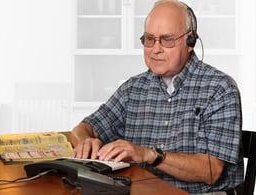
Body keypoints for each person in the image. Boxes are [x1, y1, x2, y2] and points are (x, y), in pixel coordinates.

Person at [69, 0, 243, 194]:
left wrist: (148, 154)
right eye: (149, 39)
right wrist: (85, 141)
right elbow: (83, 128)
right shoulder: (133, 89)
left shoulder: (219, 89)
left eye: (167, 40)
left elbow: (212, 170)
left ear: (190, 42)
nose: (156, 49)